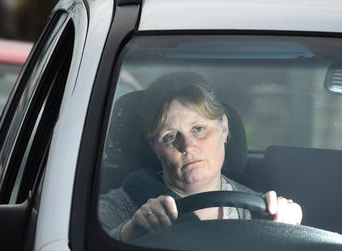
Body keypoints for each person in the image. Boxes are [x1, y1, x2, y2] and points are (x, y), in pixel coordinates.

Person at [99, 71, 302, 241]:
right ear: (154, 146)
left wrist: (290, 227)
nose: (188, 145)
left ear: (224, 128)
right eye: (170, 136)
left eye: (198, 129)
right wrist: (131, 231)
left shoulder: (261, 211)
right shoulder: (120, 206)